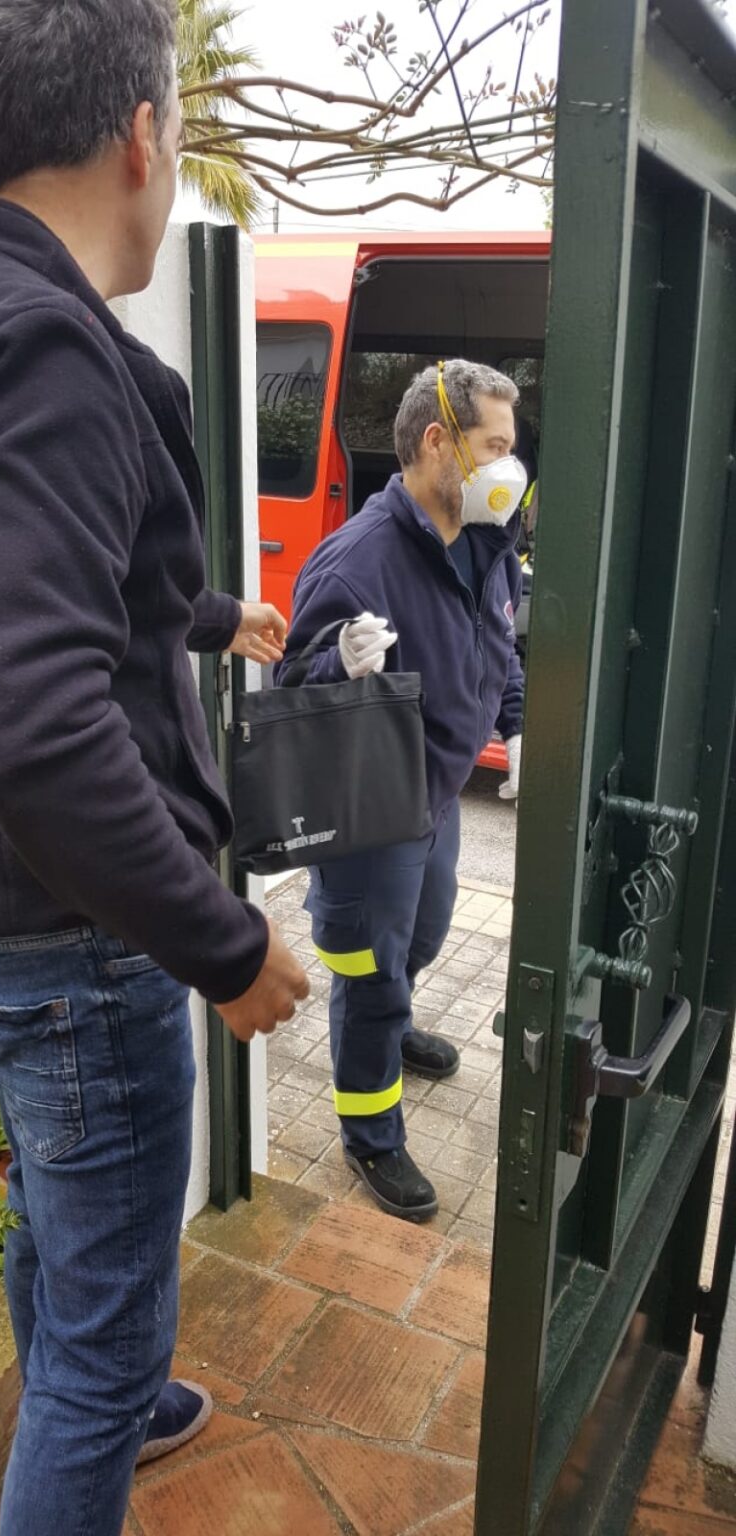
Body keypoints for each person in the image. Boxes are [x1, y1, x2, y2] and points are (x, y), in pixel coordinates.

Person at [0, 2, 309, 1532]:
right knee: (100, 1345)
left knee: (70, 1224)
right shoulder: (43, 346)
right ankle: (109, 1385)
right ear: (139, 131)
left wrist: (203, 611)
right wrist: (226, 940)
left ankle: (112, 1367)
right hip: (75, 940)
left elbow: (18, 586)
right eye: (177, 133)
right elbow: (36, 722)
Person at [276, 360, 525, 1223]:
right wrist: (332, 664)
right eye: (495, 445)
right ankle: (371, 1134)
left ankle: (394, 1018)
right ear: (437, 442)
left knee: (423, 931)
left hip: (438, 796)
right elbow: (288, 699)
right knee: (367, 968)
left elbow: (500, 647)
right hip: (370, 812)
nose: (508, 465)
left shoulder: (487, 539)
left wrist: (518, 725)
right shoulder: (355, 565)